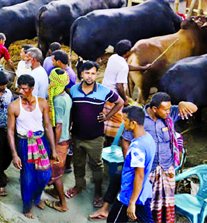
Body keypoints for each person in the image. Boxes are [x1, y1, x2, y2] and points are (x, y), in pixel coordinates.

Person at [90, 94, 197, 222]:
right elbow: (126, 142)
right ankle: (107, 208)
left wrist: (182, 104)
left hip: (164, 168)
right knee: (127, 186)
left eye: (169, 109)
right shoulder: (140, 121)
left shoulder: (168, 115)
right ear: (154, 109)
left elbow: (193, 108)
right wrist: (130, 164)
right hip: (146, 170)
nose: (168, 112)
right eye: (165, 109)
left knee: (142, 205)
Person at [65, 61, 124, 208]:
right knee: (78, 164)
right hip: (77, 135)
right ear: (81, 74)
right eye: (86, 73)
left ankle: (98, 192)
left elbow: (120, 102)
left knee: (96, 166)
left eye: (92, 73)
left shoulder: (103, 91)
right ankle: (79, 186)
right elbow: (72, 111)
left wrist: (107, 116)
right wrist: (69, 130)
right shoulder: (73, 90)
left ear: (97, 74)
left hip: (95, 137)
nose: (89, 76)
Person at [7, 74, 59, 219]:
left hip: (41, 142)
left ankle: (36, 197)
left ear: (32, 89)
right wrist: (14, 154)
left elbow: (48, 126)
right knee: (28, 178)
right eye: (19, 88)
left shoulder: (42, 103)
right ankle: (27, 206)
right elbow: (10, 131)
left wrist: (53, 149)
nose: (21, 91)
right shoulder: (14, 106)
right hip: (24, 143)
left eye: (24, 89)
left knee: (45, 176)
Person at [107, 107, 155, 223]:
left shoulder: (137, 148)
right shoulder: (148, 138)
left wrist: (132, 202)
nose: (122, 123)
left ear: (133, 123)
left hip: (129, 195)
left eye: (124, 120)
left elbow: (139, 175)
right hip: (143, 191)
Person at [102, 40, 152, 138]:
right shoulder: (123, 66)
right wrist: (124, 100)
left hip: (105, 93)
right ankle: (113, 140)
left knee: (107, 118)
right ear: (127, 53)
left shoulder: (113, 57)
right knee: (116, 121)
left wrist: (142, 68)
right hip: (114, 97)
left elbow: (126, 66)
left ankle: (106, 135)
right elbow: (119, 86)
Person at [44, 68, 72, 212]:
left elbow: (58, 126)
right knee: (57, 171)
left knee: (56, 173)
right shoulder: (66, 96)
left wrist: (53, 148)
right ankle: (55, 192)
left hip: (59, 141)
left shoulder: (58, 101)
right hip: (65, 138)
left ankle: (62, 203)